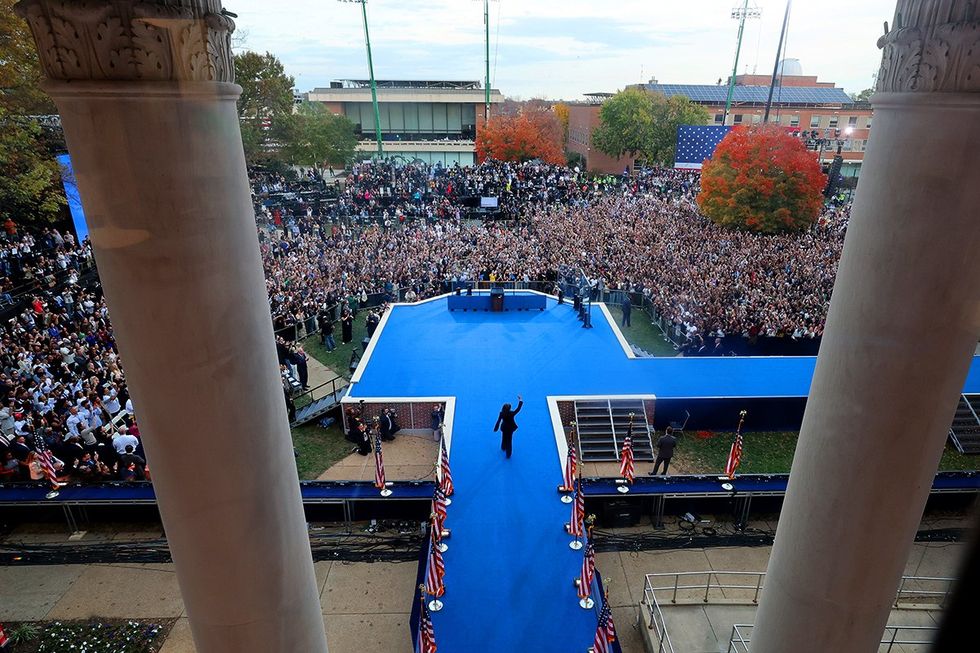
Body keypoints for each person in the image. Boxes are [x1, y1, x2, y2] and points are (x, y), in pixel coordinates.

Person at [493, 395, 523, 459]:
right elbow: (518, 409)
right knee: (509, 440)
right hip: (510, 428)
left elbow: (498, 421)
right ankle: (508, 454)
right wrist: (520, 400)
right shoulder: (511, 413)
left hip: (504, 428)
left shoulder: (501, 413)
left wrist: (496, 428)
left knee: (503, 437)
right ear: (509, 409)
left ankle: (503, 447)